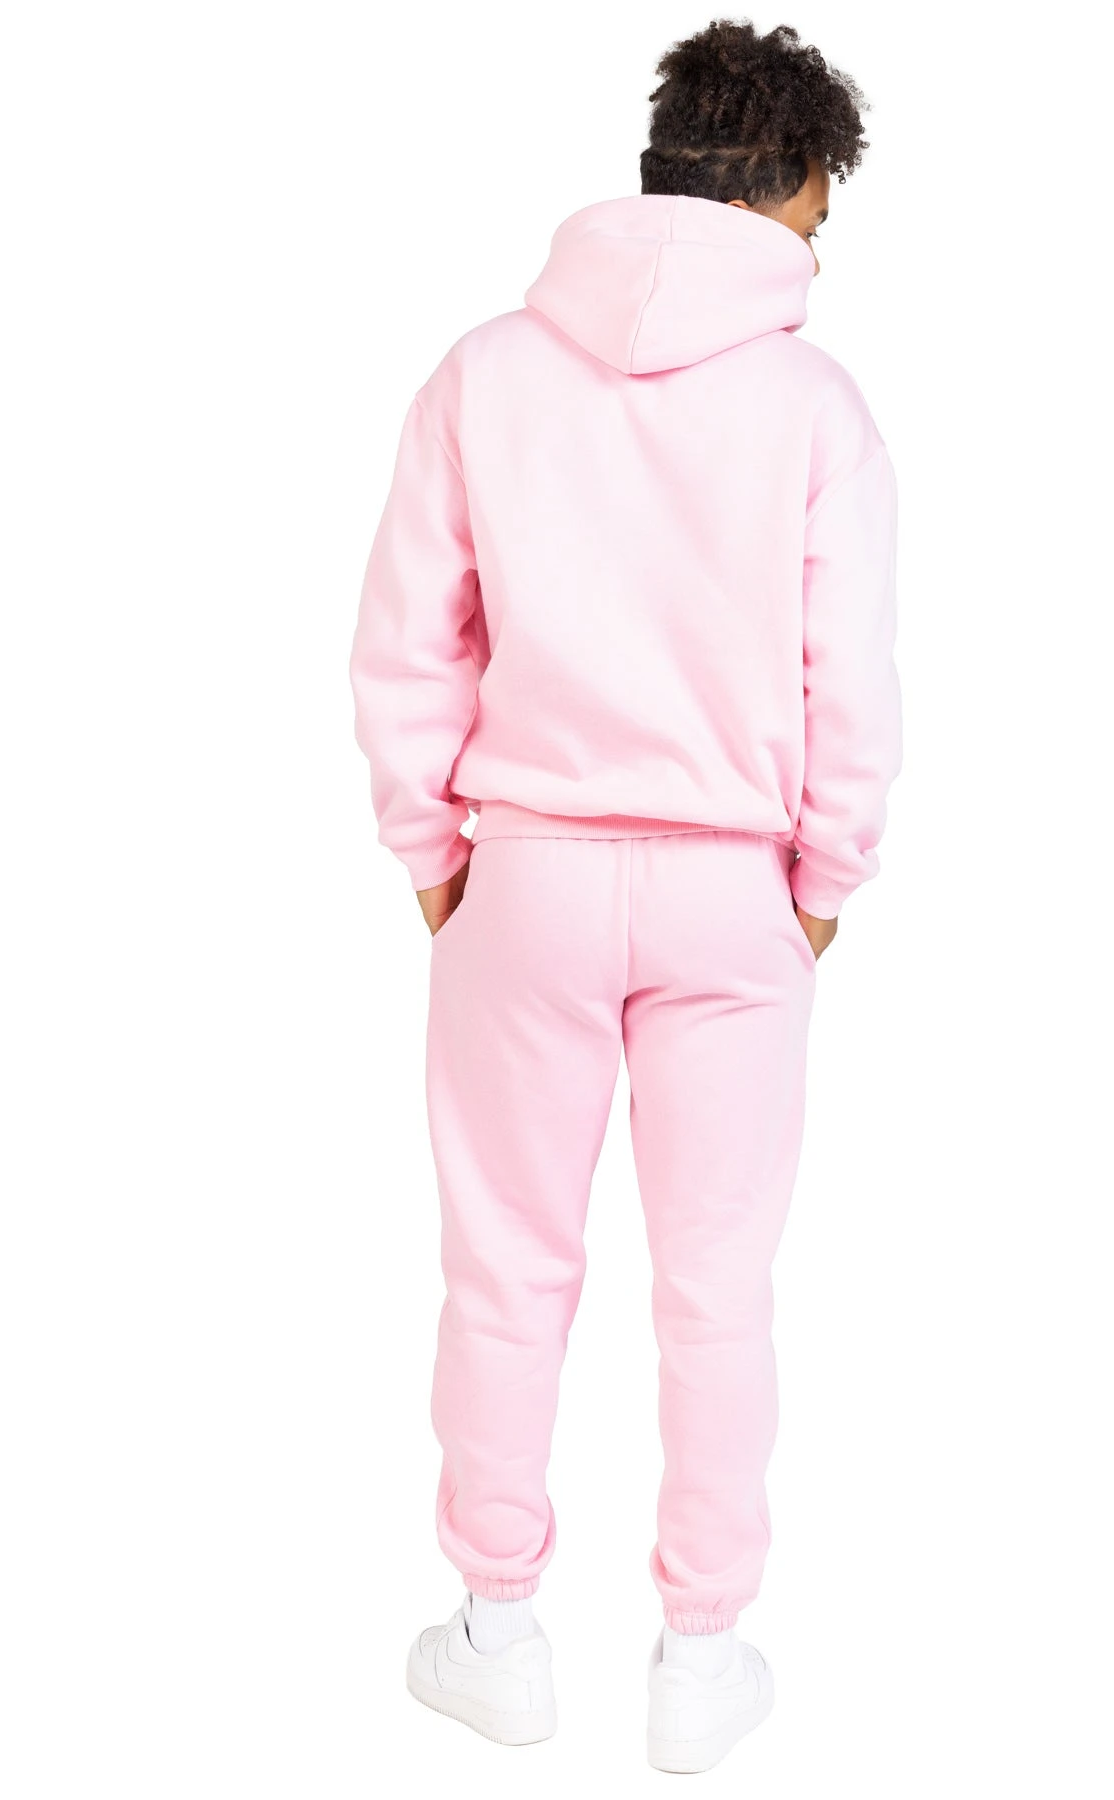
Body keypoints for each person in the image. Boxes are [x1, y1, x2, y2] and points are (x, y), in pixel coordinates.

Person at [351, 19, 900, 1774]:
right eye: (822, 212)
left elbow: (407, 640)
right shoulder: (815, 404)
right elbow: (851, 677)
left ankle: (495, 1635)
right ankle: (699, 1659)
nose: (823, 252)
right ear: (785, 181)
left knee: (506, 1268)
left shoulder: (484, 372)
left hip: (525, 877)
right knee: (717, 1287)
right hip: (736, 891)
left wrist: (434, 854)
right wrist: (824, 881)